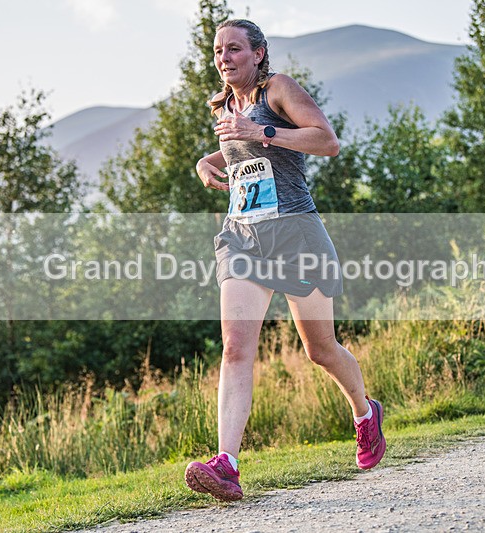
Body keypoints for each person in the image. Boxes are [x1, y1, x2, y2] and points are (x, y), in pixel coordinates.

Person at [184, 18, 385, 502]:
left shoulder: (278, 91)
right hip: (243, 239)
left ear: (258, 53)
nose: (223, 58)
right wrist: (208, 161)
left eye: (234, 49)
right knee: (235, 347)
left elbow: (326, 141)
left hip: (296, 236)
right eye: (217, 51)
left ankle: (364, 412)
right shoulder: (224, 105)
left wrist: (263, 130)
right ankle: (227, 464)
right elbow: (242, 150)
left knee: (320, 350)